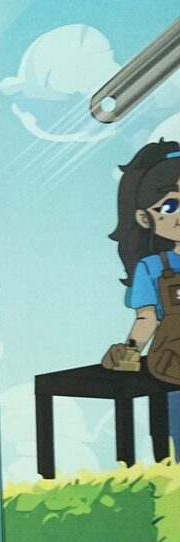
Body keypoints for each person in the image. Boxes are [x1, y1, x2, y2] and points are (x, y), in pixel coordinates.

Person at [105, 140, 180, 372]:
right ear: (144, 218)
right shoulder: (151, 267)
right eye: (170, 206)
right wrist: (128, 354)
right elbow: (147, 318)